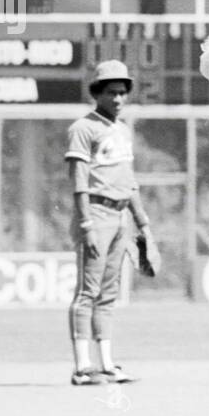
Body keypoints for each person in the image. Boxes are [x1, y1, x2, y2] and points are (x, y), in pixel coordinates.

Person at [65, 59, 150, 386]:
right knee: (88, 291)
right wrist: (85, 223)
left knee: (109, 293)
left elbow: (129, 182)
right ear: (97, 93)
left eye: (122, 92)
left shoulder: (122, 129)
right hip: (96, 214)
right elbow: (80, 182)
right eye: (111, 92)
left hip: (119, 216)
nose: (118, 98)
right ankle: (82, 366)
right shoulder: (83, 128)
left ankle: (107, 363)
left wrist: (142, 223)